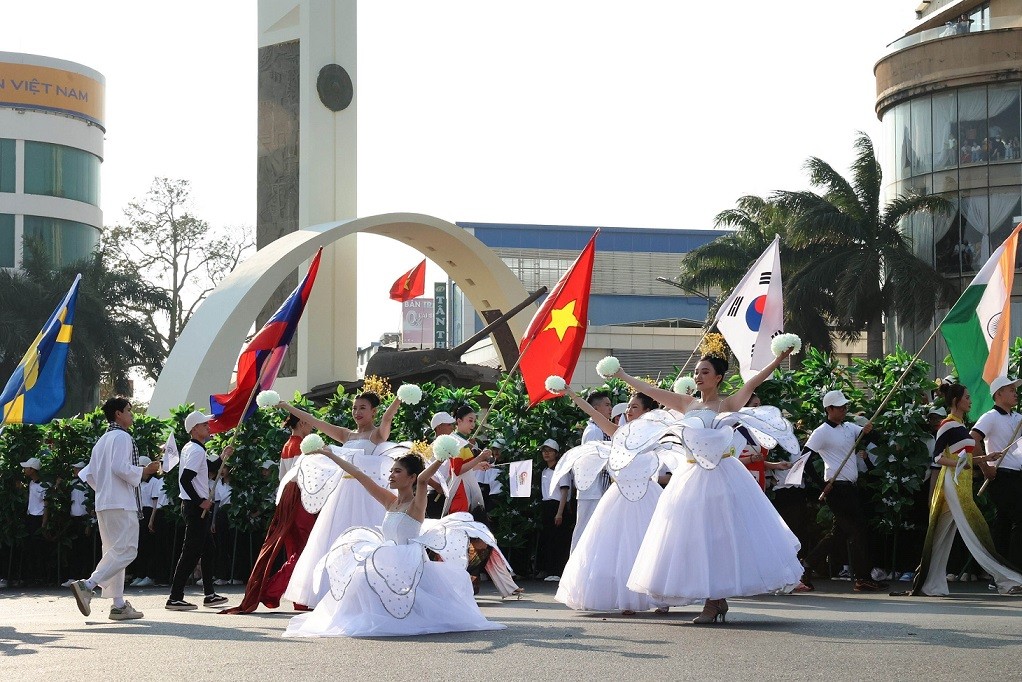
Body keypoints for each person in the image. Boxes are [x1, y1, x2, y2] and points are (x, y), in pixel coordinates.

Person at [612, 338, 802, 624]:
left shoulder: (726, 404)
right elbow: (651, 390)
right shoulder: (686, 403)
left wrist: (777, 360)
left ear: (718, 377)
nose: (698, 376)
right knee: (691, 539)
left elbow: (752, 384)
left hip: (724, 477)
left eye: (704, 372)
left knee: (721, 539)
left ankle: (714, 602)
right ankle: (714, 599)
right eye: (697, 372)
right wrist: (621, 374)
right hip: (690, 478)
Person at [283, 450, 506, 637]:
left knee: (413, 608)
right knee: (360, 580)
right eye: (391, 470)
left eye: (397, 471)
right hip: (386, 558)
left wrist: (441, 456)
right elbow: (360, 476)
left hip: (410, 562)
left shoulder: (416, 503)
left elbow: (422, 480)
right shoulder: (390, 501)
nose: (391, 475)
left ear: (410, 478)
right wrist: (328, 453)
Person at [281, 391, 403, 608]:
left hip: (368, 494)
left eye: (362, 408)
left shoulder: (377, 436)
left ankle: (369, 593)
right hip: (343, 494)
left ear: (373, 411)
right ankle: (331, 595)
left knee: (369, 541)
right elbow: (314, 421)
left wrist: (400, 398)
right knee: (334, 541)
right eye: (355, 408)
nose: (357, 412)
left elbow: (387, 419)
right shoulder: (346, 435)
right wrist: (286, 406)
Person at [556, 390, 669, 614]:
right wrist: (572, 394)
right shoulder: (618, 433)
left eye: (634, 407)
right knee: (621, 547)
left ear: (647, 411)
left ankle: (659, 596)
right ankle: (627, 598)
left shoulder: (656, 435)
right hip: (619, 495)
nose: (628, 410)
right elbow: (593, 413)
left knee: (652, 546)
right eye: (628, 406)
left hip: (647, 494)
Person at [908, 380, 1022, 596]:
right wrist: (961, 463)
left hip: (962, 483)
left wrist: (985, 458)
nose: (970, 401)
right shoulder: (948, 425)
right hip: (952, 483)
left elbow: (967, 457)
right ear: (955, 401)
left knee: (942, 533)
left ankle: (929, 582)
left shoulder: (960, 426)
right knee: (978, 531)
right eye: (967, 398)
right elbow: (938, 458)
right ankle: (1006, 581)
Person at [70, 397, 161, 621]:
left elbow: (88, 475)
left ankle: (118, 604)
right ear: (118, 414)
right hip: (121, 503)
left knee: (114, 553)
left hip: (105, 503)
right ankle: (88, 585)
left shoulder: (101, 441)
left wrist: (105, 490)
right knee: (127, 551)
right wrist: (144, 471)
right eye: (129, 410)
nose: (132, 414)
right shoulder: (122, 437)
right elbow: (121, 468)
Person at [797, 390, 887, 592]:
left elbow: (877, 439)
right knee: (857, 530)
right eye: (840, 407)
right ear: (829, 409)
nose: (844, 409)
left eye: (845, 406)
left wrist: (870, 430)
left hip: (850, 487)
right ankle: (862, 577)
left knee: (839, 533)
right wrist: (822, 485)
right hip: (836, 487)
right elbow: (805, 460)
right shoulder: (821, 432)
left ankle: (806, 565)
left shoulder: (849, 428)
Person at [166, 410, 234, 610]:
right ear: (195, 429)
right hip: (196, 508)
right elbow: (185, 479)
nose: (208, 426)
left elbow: (210, 467)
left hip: (194, 506)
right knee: (190, 552)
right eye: (204, 425)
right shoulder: (195, 450)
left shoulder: (193, 448)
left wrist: (223, 456)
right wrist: (199, 501)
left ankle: (209, 594)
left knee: (208, 550)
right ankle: (175, 597)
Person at [973, 376, 1022, 574]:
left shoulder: (1017, 418)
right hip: (1001, 476)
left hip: (1017, 476)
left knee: (1003, 523)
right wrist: (985, 467)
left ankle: (1000, 572)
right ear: (999, 394)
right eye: (1011, 389)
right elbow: (973, 439)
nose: (1015, 393)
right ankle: (1015, 570)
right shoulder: (989, 417)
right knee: (1019, 519)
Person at [571, 390, 613, 551]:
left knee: (594, 532)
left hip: (599, 490)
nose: (611, 408)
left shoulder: (601, 428)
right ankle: (575, 571)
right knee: (584, 532)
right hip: (592, 491)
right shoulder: (594, 431)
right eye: (607, 405)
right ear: (595, 409)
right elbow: (594, 462)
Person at [441, 405, 494, 521]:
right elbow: (458, 470)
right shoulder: (457, 441)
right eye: (470, 420)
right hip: (461, 490)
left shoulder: (461, 441)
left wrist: (477, 466)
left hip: (464, 487)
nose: (473, 425)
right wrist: (480, 458)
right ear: (459, 421)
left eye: (474, 421)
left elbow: (463, 467)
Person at [536, 439, 573, 581]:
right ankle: (549, 569)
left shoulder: (561, 470)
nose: (546, 453)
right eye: (544, 451)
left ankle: (557, 571)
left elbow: (564, 492)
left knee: (558, 539)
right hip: (547, 505)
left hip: (558, 506)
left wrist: (559, 513)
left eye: (550, 451)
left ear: (556, 453)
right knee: (549, 539)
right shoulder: (545, 470)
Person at [20, 457, 49, 585]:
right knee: (30, 548)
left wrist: (44, 523)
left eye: (27, 468)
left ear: (32, 470)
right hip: (30, 517)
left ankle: (40, 577)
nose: (25, 470)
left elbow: (46, 505)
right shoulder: (31, 483)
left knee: (39, 549)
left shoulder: (43, 485)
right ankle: (31, 576)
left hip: (38, 518)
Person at [279, 413, 313, 481]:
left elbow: (281, 476)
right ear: (302, 423)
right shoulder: (302, 445)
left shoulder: (287, 445)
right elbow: (297, 475)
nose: (312, 427)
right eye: (311, 422)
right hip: (299, 489)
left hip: (288, 489)